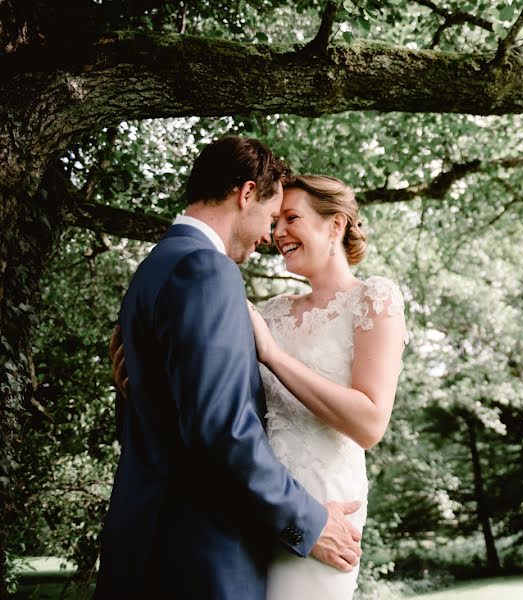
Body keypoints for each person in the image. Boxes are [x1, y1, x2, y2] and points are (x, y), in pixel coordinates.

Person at [96, 137, 362, 600]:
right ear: (245, 194)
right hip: (198, 555)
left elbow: (163, 410)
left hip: (147, 541)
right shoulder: (206, 269)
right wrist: (310, 523)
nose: (267, 237)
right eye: (270, 214)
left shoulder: (153, 269)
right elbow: (219, 427)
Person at [246, 174, 408, 599]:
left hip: (326, 511)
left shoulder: (374, 299)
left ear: (335, 225)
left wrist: (275, 358)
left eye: (292, 218)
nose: (277, 232)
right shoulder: (271, 313)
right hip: (256, 511)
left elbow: (370, 423)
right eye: (275, 221)